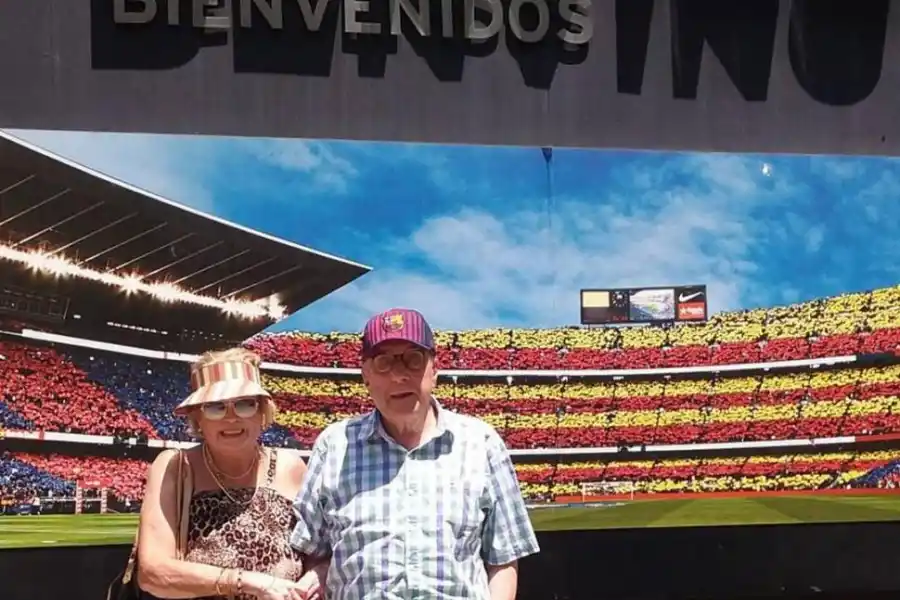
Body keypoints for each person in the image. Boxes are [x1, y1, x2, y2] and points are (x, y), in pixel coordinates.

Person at [290, 308, 540, 600]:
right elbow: (315, 553)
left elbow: (503, 559)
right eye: (383, 362)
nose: (399, 375)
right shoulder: (333, 446)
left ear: (434, 369)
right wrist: (317, 577)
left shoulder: (481, 443)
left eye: (413, 359)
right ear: (365, 374)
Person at [136, 347, 326, 600]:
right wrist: (247, 583)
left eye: (244, 404)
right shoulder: (176, 467)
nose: (231, 417)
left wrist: (316, 576)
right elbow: (153, 573)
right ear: (198, 418)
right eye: (216, 407)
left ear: (261, 412)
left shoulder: (292, 467)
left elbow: (318, 555)